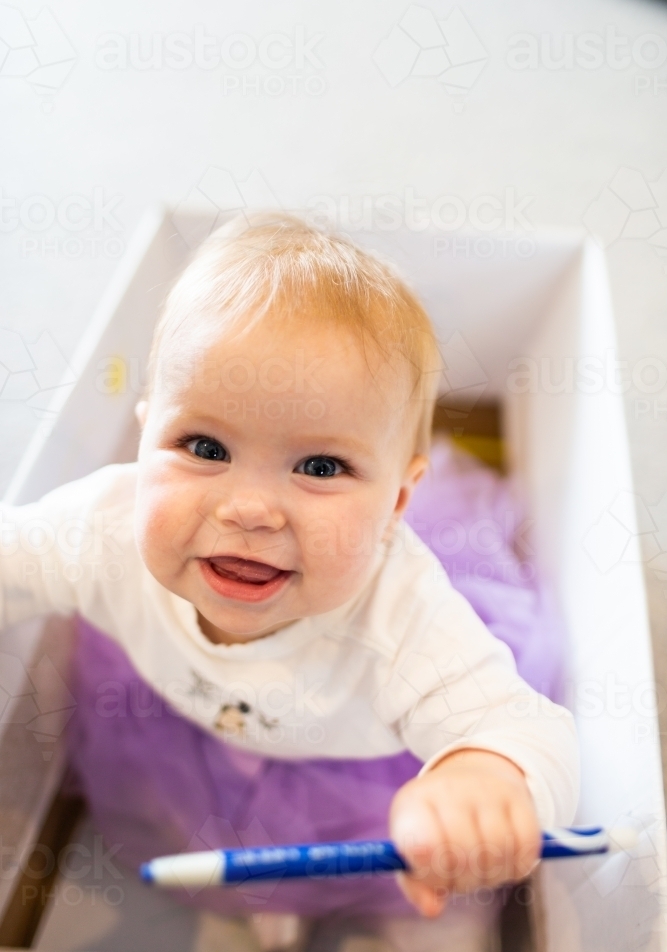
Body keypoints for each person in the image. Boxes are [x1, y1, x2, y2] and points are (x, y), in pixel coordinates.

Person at [0, 213, 579, 951]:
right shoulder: (101, 530)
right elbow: (12, 555)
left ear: (397, 504)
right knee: (199, 810)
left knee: (423, 849)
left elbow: (526, 726)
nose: (248, 510)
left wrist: (482, 779)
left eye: (320, 467)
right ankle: (264, 885)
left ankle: (391, 892)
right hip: (194, 734)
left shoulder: (402, 617)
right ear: (143, 440)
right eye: (203, 447)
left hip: (363, 770)